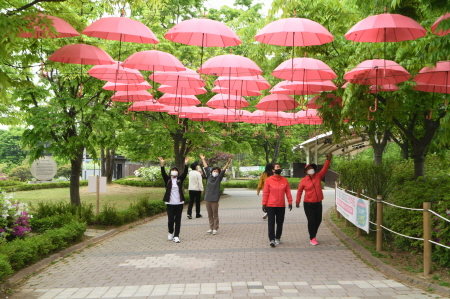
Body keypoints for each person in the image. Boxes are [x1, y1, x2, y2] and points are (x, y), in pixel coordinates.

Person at [296, 153, 332, 246]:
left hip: (318, 203)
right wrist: (297, 201)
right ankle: (312, 238)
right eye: (308, 169)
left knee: (318, 220)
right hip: (308, 204)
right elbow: (299, 191)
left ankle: (313, 234)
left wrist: (328, 160)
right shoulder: (303, 181)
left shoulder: (318, 176)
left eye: (312, 168)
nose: (310, 170)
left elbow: (324, 169)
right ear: (305, 171)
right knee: (311, 220)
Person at [158, 156, 190, 243]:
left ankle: (176, 236)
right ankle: (170, 232)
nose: (174, 171)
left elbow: (185, 173)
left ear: (178, 172)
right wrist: (162, 164)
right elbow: (163, 173)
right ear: (171, 172)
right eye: (173, 170)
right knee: (171, 220)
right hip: (170, 203)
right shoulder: (168, 179)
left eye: (176, 170)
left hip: (179, 203)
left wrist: (186, 164)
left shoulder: (180, 179)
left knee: (178, 220)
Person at [200, 154, 232, 235]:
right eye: (214, 171)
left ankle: (215, 228)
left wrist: (228, 163)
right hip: (207, 198)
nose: (215, 172)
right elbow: (206, 168)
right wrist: (203, 159)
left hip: (214, 199)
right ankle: (211, 227)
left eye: (217, 171)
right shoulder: (209, 176)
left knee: (215, 214)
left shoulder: (218, 178)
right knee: (209, 214)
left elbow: (224, 170)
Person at [262, 163, 292, 247]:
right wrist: (264, 204)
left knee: (280, 222)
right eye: (277, 167)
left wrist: (290, 202)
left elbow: (288, 192)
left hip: (281, 205)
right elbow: (265, 193)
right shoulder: (268, 180)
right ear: (273, 170)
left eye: (280, 167)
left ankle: (278, 237)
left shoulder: (284, 180)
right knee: (271, 223)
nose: (279, 168)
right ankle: (272, 239)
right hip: (271, 205)